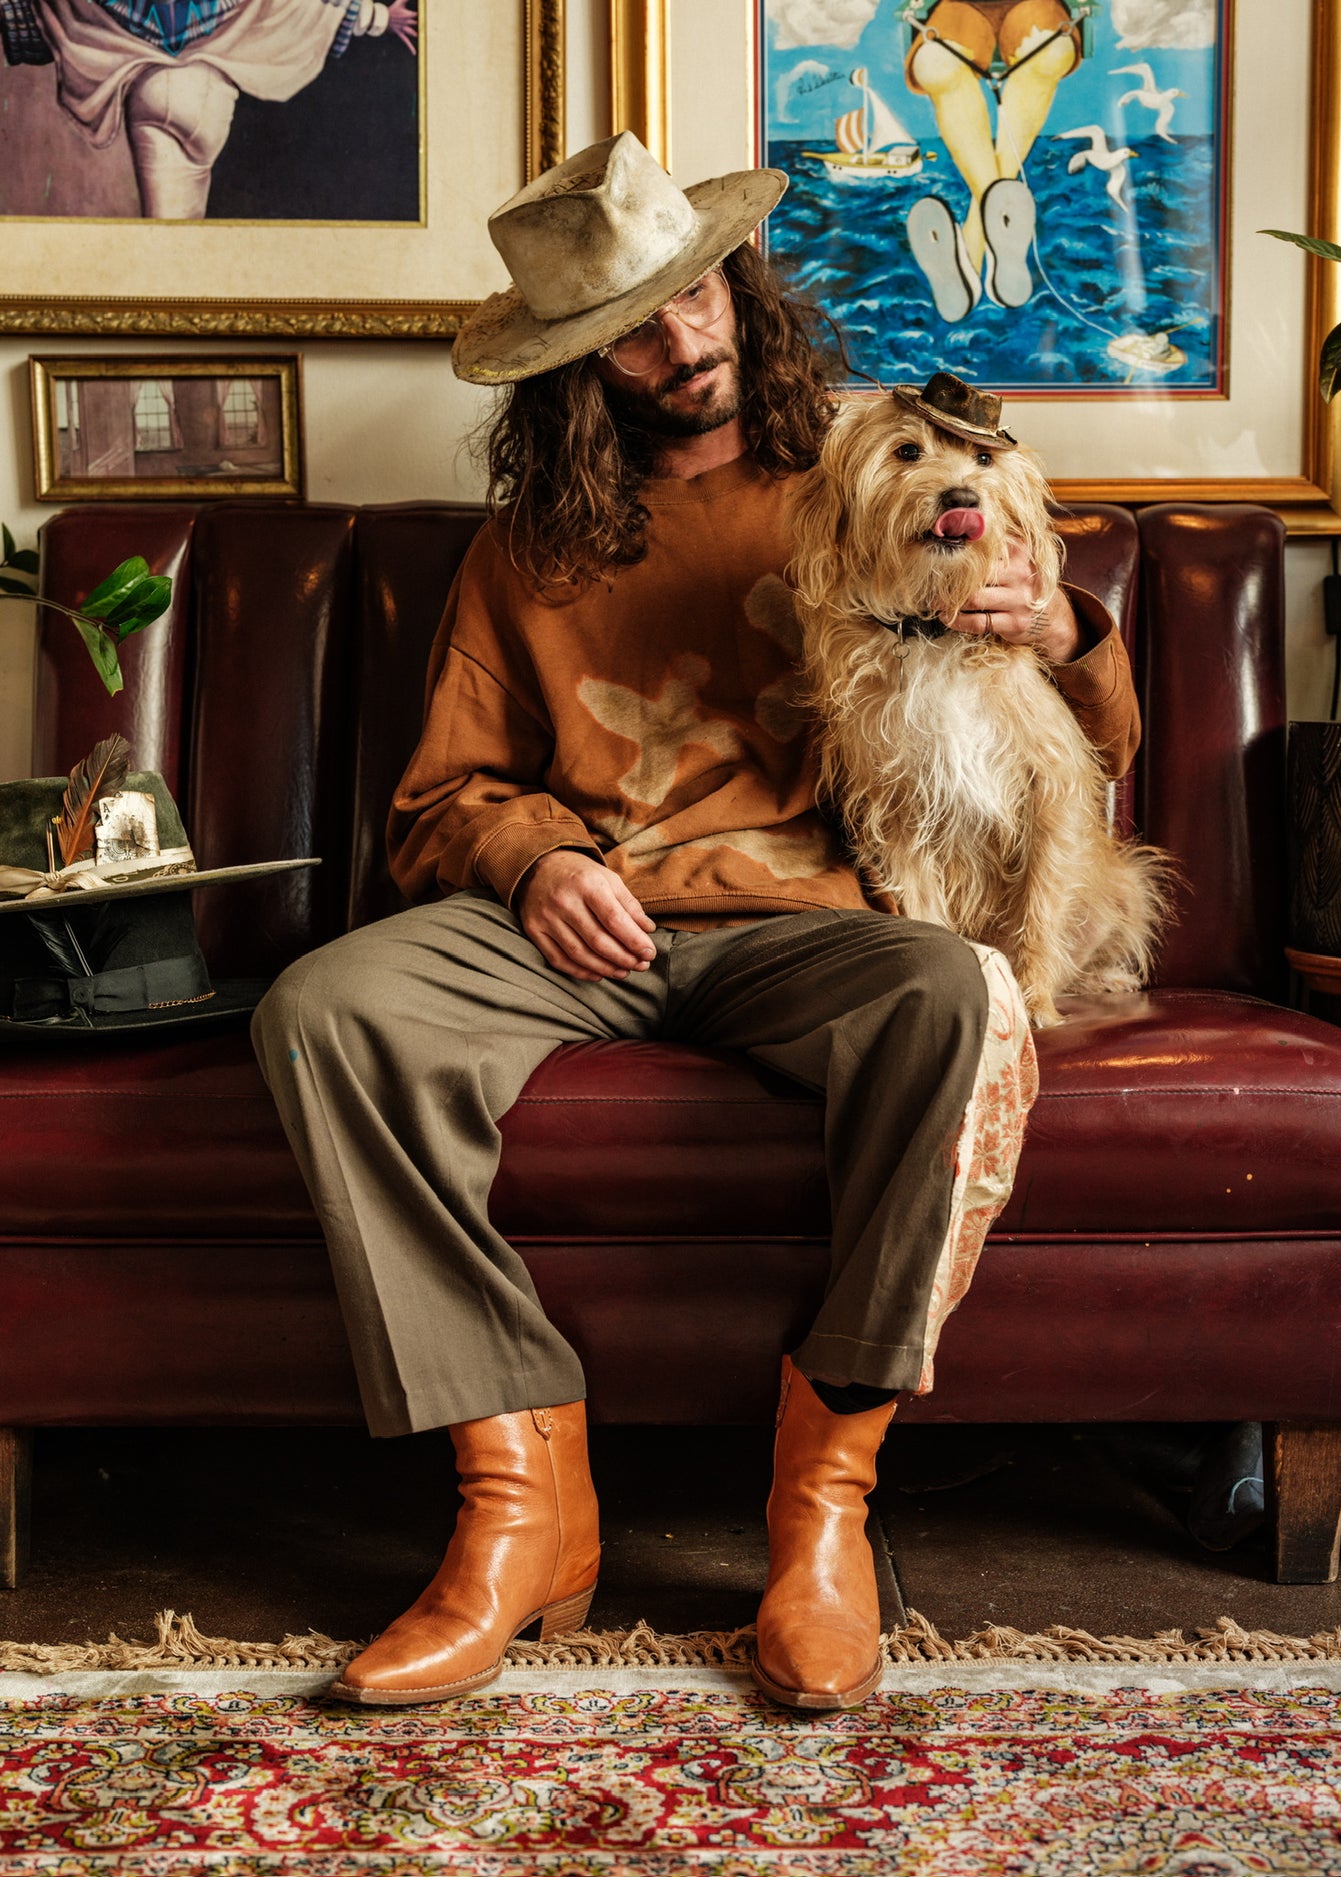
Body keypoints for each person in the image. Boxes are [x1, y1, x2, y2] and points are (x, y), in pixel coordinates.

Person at [251, 129, 1140, 1712]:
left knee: (952, 997)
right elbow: (434, 803)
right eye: (637, 326)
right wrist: (532, 861)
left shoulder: (871, 483)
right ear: (576, 369)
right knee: (325, 1010)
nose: (690, 336)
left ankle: (823, 1514)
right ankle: (521, 1502)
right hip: (578, 932)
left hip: (810, 923)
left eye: (704, 291)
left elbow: (1074, 755)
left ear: (743, 285)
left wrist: (1069, 622)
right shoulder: (525, 551)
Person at [10, 0, 417, 219]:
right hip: (202, 96)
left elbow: (49, 12)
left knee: (166, 240)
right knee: (178, 243)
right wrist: (378, 17)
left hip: (147, 90)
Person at [903, 0, 1089, 317]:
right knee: (934, 63)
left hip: (1034, 6)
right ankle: (992, 236)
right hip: (959, 8)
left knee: (1052, 51)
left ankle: (971, 247)